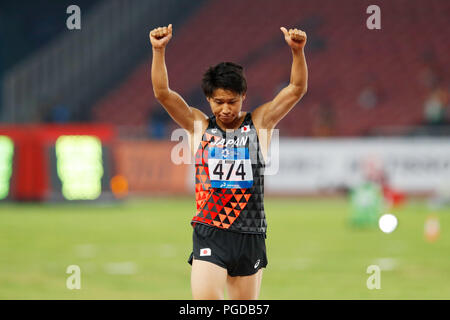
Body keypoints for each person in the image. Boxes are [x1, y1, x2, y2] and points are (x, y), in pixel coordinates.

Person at [149, 23, 308, 300]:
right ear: (208, 98)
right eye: (218, 101)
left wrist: (297, 52)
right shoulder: (198, 125)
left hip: (250, 232)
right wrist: (158, 51)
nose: (225, 109)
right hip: (210, 230)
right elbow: (163, 93)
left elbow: (296, 89)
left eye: (232, 102)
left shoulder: (260, 123)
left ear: (243, 96)